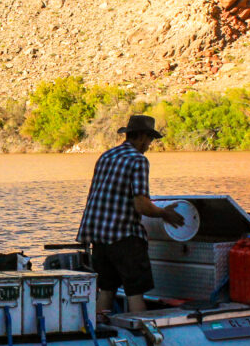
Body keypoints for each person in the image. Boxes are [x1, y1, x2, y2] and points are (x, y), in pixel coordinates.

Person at [76, 114, 184, 315]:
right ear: (142, 136)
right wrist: (164, 214)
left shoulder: (107, 156)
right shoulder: (138, 160)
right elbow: (142, 205)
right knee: (135, 292)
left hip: (97, 235)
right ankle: (141, 334)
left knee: (106, 290)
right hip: (123, 236)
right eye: (150, 139)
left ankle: (101, 331)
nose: (149, 145)